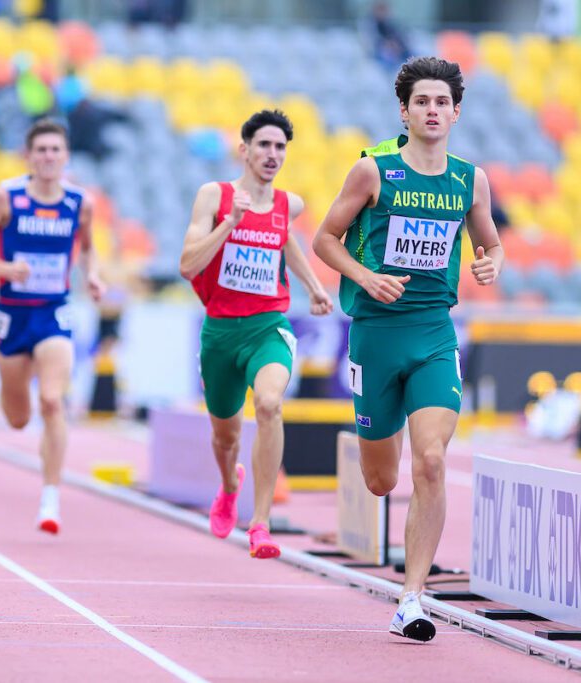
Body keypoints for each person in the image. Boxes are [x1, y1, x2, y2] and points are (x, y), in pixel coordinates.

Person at [312, 56, 502, 641]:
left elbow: (489, 243)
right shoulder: (373, 171)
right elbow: (323, 239)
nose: (432, 111)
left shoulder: (471, 180)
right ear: (405, 111)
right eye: (422, 102)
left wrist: (491, 261)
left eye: (442, 103)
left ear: (456, 112)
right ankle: (374, 444)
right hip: (374, 334)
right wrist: (366, 277)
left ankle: (412, 599)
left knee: (432, 461)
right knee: (379, 479)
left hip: (432, 334)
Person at [179, 110, 334, 559]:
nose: (273, 154)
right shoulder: (214, 195)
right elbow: (187, 265)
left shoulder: (290, 204)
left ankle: (260, 524)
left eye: (280, 147)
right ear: (244, 150)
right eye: (264, 145)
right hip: (221, 334)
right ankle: (229, 486)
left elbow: (286, 238)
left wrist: (314, 287)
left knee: (268, 404)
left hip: (268, 327)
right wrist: (229, 223)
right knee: (225, 437)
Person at [0, 119, 105, 534]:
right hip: (12, 314)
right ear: (28, 157)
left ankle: (50, 498)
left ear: (65, 157)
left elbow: (88, 250)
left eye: (55, 150)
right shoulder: (6, 198)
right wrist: (5, 267)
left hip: (54, 312)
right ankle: (10, 385)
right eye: (41, 150)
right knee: (17, 417)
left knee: (51, 401)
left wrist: (93, 275)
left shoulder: (80, 203)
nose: (48, 157)